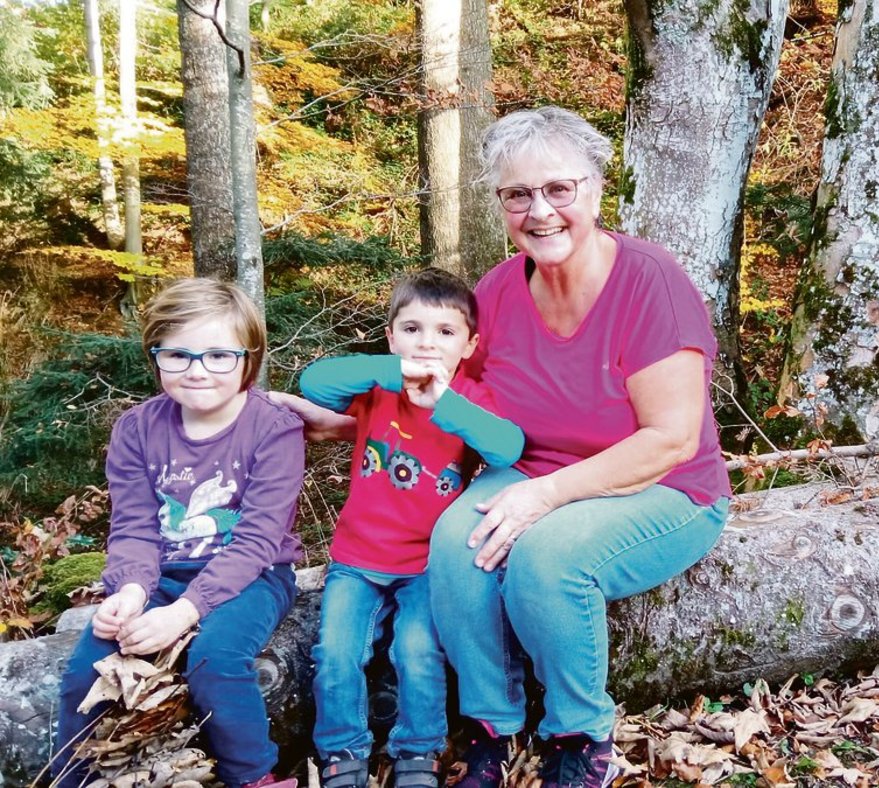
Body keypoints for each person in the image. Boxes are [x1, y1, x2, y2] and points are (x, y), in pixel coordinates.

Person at [431, 106, 733, 788]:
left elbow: (670, 438)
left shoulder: (650, 281)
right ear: (501, 205)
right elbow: (464, 408)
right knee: (453, 542)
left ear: (595, 188)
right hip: (531, 469)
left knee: (549, 555)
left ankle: (579, 733)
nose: (541, 211)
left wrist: (544, 497)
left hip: (665, 487)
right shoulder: (497, 291)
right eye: (518, 195)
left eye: (558, 189)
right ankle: (491, 725)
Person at [52, 278, 304, 788]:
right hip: (162, 573)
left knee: (216, 660)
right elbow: (133, 527)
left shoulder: (274, 427)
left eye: (218, 355)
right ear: (156, 356)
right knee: (85, 670)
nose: (197, 371)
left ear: (248, 359)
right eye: (178, 355)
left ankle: (254, 777)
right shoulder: (137, 428)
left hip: (254, 574)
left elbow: (257, 539)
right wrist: (129, 590)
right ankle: (66, 778)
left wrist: (185, 613)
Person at [299, 268, 524, 788]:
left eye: (445, 333)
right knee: (335, 651)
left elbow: (507, 447)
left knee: (418, 650)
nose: (427, 344)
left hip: (427, 564)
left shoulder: (468, 399)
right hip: (357, 559)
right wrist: (392, 370)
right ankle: (340, 754)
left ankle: (418, 752)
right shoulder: (376, 391)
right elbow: (314, 382)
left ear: (469, 345)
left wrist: (443, 402)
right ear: (391, 335)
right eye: (412, 329)